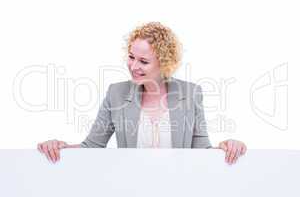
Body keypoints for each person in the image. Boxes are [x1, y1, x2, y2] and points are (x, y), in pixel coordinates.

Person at [38, 22, 247, 165]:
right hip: (131, 188)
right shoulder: (116, 93)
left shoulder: (191, 93)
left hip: (180, 187)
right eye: (131, 57)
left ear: (165, 63)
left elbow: (201, 151)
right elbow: (92, 146)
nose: (133, 66)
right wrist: (60, 146)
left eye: (144, 61)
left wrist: (227, 147)